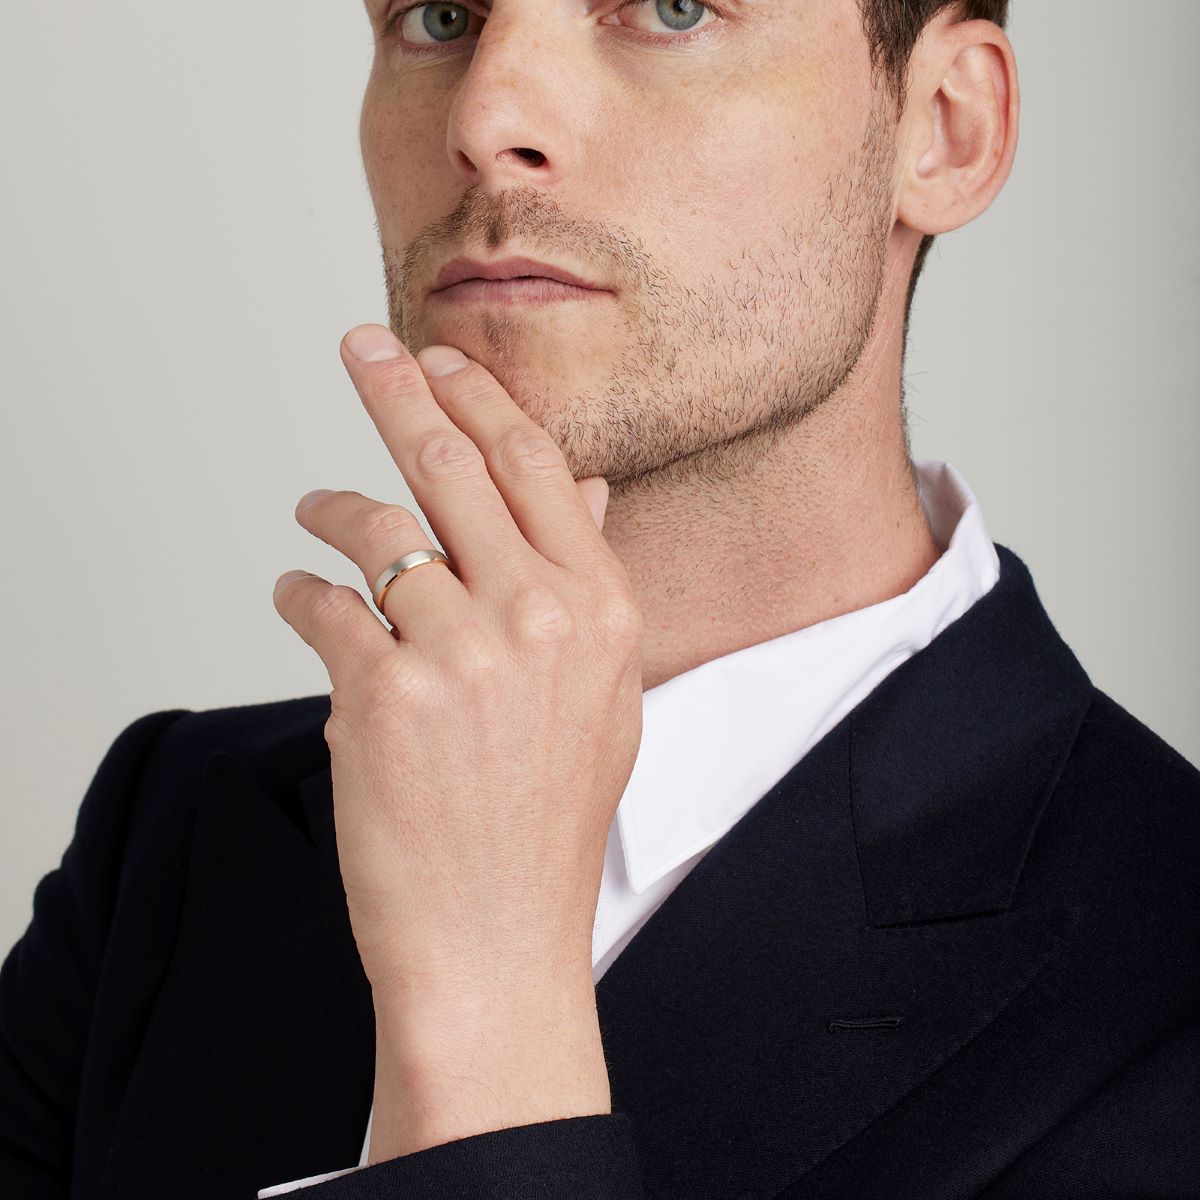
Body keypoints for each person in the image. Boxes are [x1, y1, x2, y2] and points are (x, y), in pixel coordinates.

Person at [2, 0, 1197, 1195]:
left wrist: (491, 1005)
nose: (485, 117)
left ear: (945, 127)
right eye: (438, 16)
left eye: (671, 10)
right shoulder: (172, 836)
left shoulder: (1166, 977)